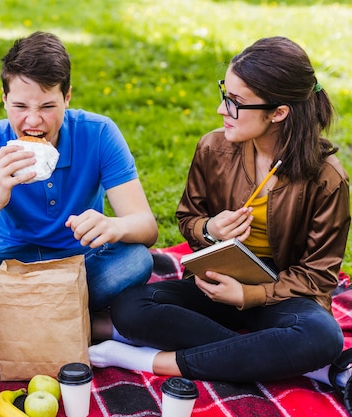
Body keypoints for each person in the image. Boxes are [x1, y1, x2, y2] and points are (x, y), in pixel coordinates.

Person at [89, 36, 351, 385]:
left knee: (323, 336)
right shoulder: (213, 149)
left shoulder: (327, 178)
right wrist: (211, 228)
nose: (221, 110)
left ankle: (151, 361)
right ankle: (297, 363)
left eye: (236, 102)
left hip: (283, 296)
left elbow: (317, 277)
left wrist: (250, 295)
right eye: (224, 94)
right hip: (217, 285)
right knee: (131, 306)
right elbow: (187, 219)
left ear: (279, 112)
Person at [0, 31, 158, 348]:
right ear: (4, 98)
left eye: (47, 106)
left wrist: (113, 225)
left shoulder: (99, 133)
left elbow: (146, 228)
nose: (33, 120)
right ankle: (92, 327)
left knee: (136, 260)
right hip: (10, 267)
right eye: (20, 105)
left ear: (67, 97)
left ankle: (24, 328)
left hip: (82, 260)